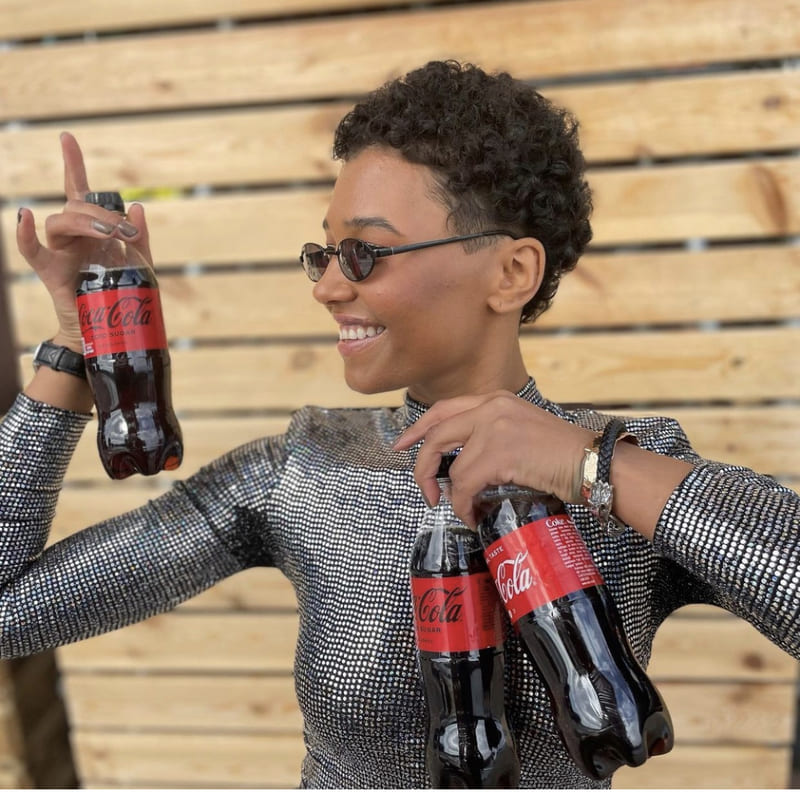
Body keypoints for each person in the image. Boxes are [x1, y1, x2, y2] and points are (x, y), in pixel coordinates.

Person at [3, 60, 799, 788]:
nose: (327, 288)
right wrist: (77, 345)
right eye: (325, 253)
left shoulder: (630, 472)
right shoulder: (303, 471)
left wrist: (595, 468)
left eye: (366, 254)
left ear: (511, 272)